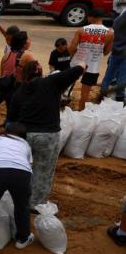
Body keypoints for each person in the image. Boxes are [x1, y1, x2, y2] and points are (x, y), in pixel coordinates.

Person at [8, 61, 86, 211]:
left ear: (25, 75)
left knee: (22, 168)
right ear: (40, 72)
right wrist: (82, 63)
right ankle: (36, 203)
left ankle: (17, 197)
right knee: (43, 171)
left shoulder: (19, 92)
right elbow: (76, 70)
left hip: (24, 136)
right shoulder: (51, 82)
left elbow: (11, 119)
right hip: (48, 136)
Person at [69, 8, 113, 110]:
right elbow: (106, 52)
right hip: (93, 67)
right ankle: (81, 112)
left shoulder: (81, 30)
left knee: (66, 86)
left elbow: (72, 47)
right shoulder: (110, 33)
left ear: (91, 17)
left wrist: (71, 58)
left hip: (77, 63)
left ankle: (61, 105)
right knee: (85, 94)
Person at [100, 8, 126, 102]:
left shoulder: (117, 21)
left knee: (110, 72)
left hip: (115, 51)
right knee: (123, 75)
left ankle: (103, 90)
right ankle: (120, 95)